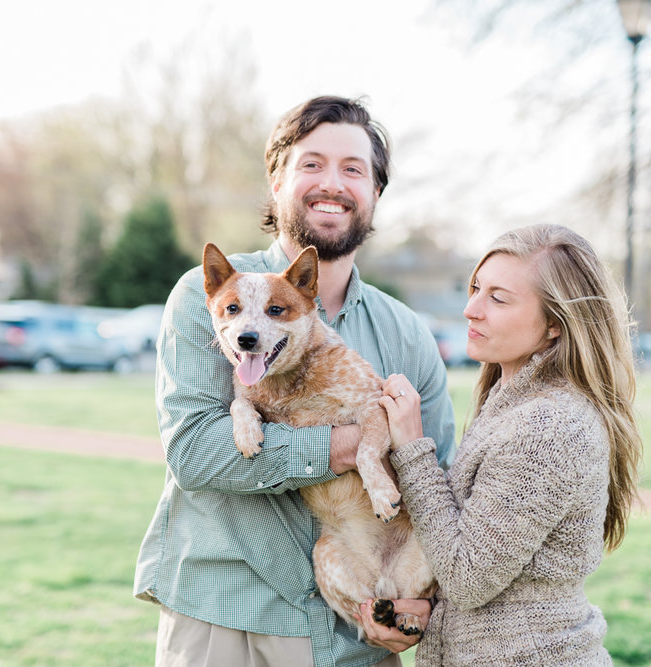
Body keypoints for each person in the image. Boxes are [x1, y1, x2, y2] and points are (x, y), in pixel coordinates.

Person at [133, 95, 456, 667]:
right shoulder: (207, 298)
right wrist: (345, 447)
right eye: (311, 164)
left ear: (376, 192)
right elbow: (194, 452)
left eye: (353, 169)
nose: (332, 183)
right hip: (225, 614)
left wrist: (419, 605)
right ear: (276, 179)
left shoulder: (405, 331)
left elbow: (442, 480)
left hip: (356, 631)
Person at [358, 223, 643, 665]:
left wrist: (413, 450)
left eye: (498, 298)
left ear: (554, 324)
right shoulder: (512, 402)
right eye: (476, 288)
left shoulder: (550, 427)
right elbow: (485, 562)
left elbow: (468, 577)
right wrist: (428, 610)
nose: (471, 309)